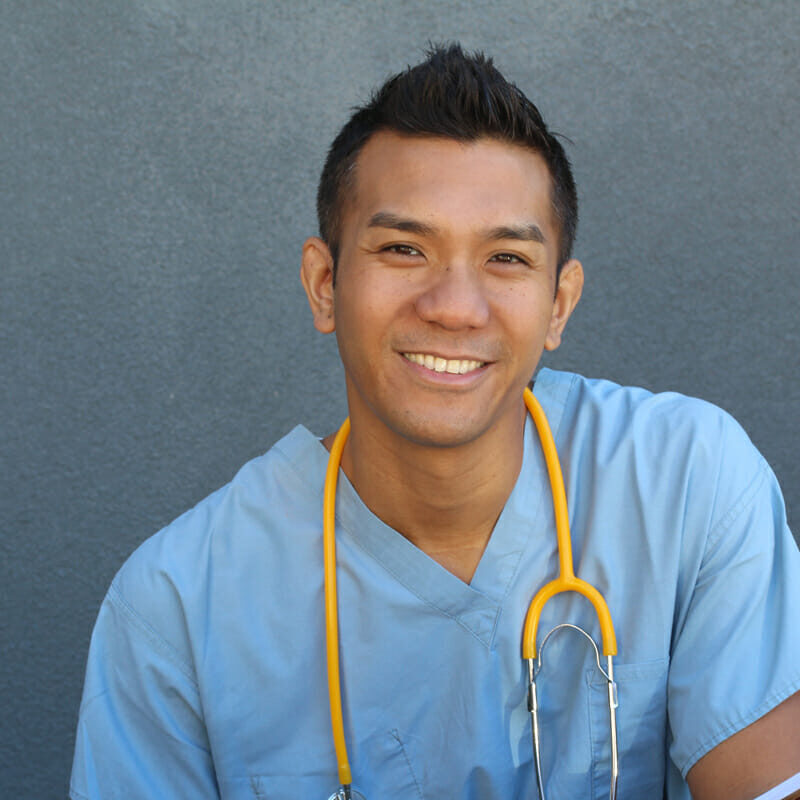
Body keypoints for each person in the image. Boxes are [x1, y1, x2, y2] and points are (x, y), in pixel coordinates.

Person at [70, 44, 800, 800]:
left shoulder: (684, 483)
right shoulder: (177, 610)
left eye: (507, 259)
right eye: (403, 248)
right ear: (325, 285)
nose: (454, 306)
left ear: (559, 304)